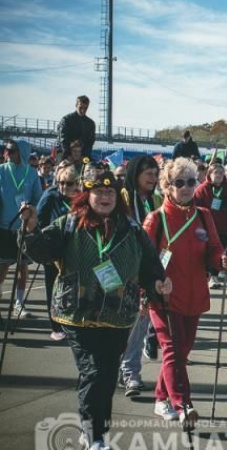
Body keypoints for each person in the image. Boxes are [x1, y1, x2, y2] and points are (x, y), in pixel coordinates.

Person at [19, 170, 171, 450]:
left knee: (107, 374)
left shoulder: (132, 228)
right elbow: (42, 252)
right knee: (94, 371)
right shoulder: (69, 223)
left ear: (117, 196)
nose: (104, 197)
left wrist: (158, 283)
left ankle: (94, 429)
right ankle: (94, 436)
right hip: (77, 314)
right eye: (98, 192)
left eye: (109, 192)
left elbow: (150, 264)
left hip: (118, 315)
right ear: (87, 195)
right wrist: (30, 228)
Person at [142, 157, 227, 426]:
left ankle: (161, 398)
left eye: (191, 182)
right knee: (172, 350)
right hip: (165, 296)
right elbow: (142, 260)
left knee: (181, 352)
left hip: (194, 294)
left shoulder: (203, 215)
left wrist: (221, 260)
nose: (186, 187)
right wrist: (151, 285)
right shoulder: (156, 218)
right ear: (167, 186)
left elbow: (214, 248)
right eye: (179, 182)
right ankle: (183, 405)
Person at [118, 155, 164, 395]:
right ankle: (122, 368)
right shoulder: (122, 198)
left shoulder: (157, 200)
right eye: (148, 172)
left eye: (155, 173)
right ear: (135, 173)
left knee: (140, 321)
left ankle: (130, 372)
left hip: (148, 271)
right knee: (122, 324)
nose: (152, 177)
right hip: (122, 269)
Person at [35, 160, 81, 341]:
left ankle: (70, 321)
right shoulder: (51, 195)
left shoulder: (81, 199)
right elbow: (40, 220)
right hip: (53, 251)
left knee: (72, 288)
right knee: (53, 288)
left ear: (77, 183)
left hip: (74, 251)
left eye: (68, 183)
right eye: (61, 182)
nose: (64, 187)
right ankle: (55, 326)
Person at [0, 140, 43, 319]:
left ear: (22, 152)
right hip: (4, 227)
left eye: (12, 150)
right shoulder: (1, 170)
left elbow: (38, 198)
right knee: (2, 267)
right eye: (6, 150)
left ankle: (19, 303)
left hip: (24, 229)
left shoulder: (32, 173)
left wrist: (31, 210)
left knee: (23, 268)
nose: (8, 153)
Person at [194, 162, 227, 288]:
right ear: (209, 174)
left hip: (223, 228)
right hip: (205, 228)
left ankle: (214, 276)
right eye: (216, 172)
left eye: (221, 173)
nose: (219, 175)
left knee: (219, 252)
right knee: (205, 252)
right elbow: (195, 208)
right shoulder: (202, 189)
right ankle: (206, 275)